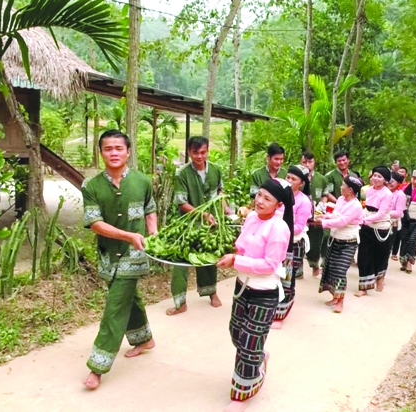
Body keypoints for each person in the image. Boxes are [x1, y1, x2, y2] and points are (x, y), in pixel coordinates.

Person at [81, 130, 158, 390]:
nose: (113, 153)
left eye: (118, 148)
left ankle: (98, 367)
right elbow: (94, 223)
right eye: (107, 148)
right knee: (128, 297)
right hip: (108, 254)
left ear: (128, 152)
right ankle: (144, 339)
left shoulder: (143, 181)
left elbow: (150, 210)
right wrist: (128, 235)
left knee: (115, 306)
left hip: (135, 255)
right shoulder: (91, 187)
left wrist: (154, 237)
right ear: (101, 152)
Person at [216, 178, 293, 412]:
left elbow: (270, 264)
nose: (259, 201)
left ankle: (242, 396)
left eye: (267, 198)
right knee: (236, 332)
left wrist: (236, 260)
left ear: (278, 205)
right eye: (259, 195)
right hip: (242, 286)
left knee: (249, 344)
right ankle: (261, 355)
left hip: (264, 292)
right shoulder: (250, 217)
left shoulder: (280, 228)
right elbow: (241, 245)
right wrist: (227, 251)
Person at [167, 136, 228, 316]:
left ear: (207, 151)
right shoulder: (182, 173)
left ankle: (211, 293)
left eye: (203, 152)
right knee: (179, 261)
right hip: (188, 223)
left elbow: (220, 192)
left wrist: (226, 210)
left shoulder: (216, 170)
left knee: (209, 257)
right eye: (195, 152)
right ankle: (180, 302)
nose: (199, 156)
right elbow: (181, 203)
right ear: (189, 152)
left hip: (210, 224)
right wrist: (202, 214)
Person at [315, 176, 364, 313]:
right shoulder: (341, 200)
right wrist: (325, 216)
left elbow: (342, 222)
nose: (341, 187)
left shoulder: (356, 206)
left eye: (343, 185)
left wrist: (323, 223)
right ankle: (335, 297)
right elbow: (336, 215)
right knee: (331, 268)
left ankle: (340, 301)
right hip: (335, 239)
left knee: (340, 271)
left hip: (348, 243)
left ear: (350, 190)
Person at [272, 165, 312, 329]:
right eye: (287, 176)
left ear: (301, 183)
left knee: (287, 279)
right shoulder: (279, 195)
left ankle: (280, 314)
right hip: (276, 240)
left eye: (293, 179)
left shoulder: (303, 202)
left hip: (293, 243)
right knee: (274, 275)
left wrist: (279, 225)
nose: (288, 180)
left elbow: (298, 227)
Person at [355, 167, 394, 297]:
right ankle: (363, 287)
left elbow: (381, 213)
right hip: (366, 226)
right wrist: (360, 217)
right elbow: (365, 207)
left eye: (379, 176)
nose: (375, 179)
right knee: (363, 256)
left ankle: (380, 278)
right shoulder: (368, 190)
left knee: (380, 256)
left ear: (385, 180)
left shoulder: (387, 194)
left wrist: (364, 220)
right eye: (374, 176)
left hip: (381, 228)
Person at [321, 150, 360, 267]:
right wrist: (339, 201)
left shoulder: (354, 176)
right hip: (334, 205)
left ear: (348, 161)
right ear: (336, 162)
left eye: (344, 160)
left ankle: (346, 256)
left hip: (351, 207)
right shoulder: (330, 176)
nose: (342, 162)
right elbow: (327, 192)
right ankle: (325, 257)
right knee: (329, 233)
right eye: (339, 161)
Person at [300, 150, 329, 277]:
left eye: (310, 162)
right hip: (300, 216)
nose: (307, 165)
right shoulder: (297, 178)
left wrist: (322, 205)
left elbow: (325, 194)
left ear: (314, 163)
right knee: (298, 241)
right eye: (304, 162)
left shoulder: (321, 179)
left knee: (315, 242)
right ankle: (298, 270)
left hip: (315, 216)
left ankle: (314, 264)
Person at [389, 173, 407, 261]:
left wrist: (383, 213)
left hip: (392, 223)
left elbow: (398, 213)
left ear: (398, 183)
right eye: (388, 180)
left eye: (392, 181)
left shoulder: (400, 195)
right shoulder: (384, 192)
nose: (389, 183)